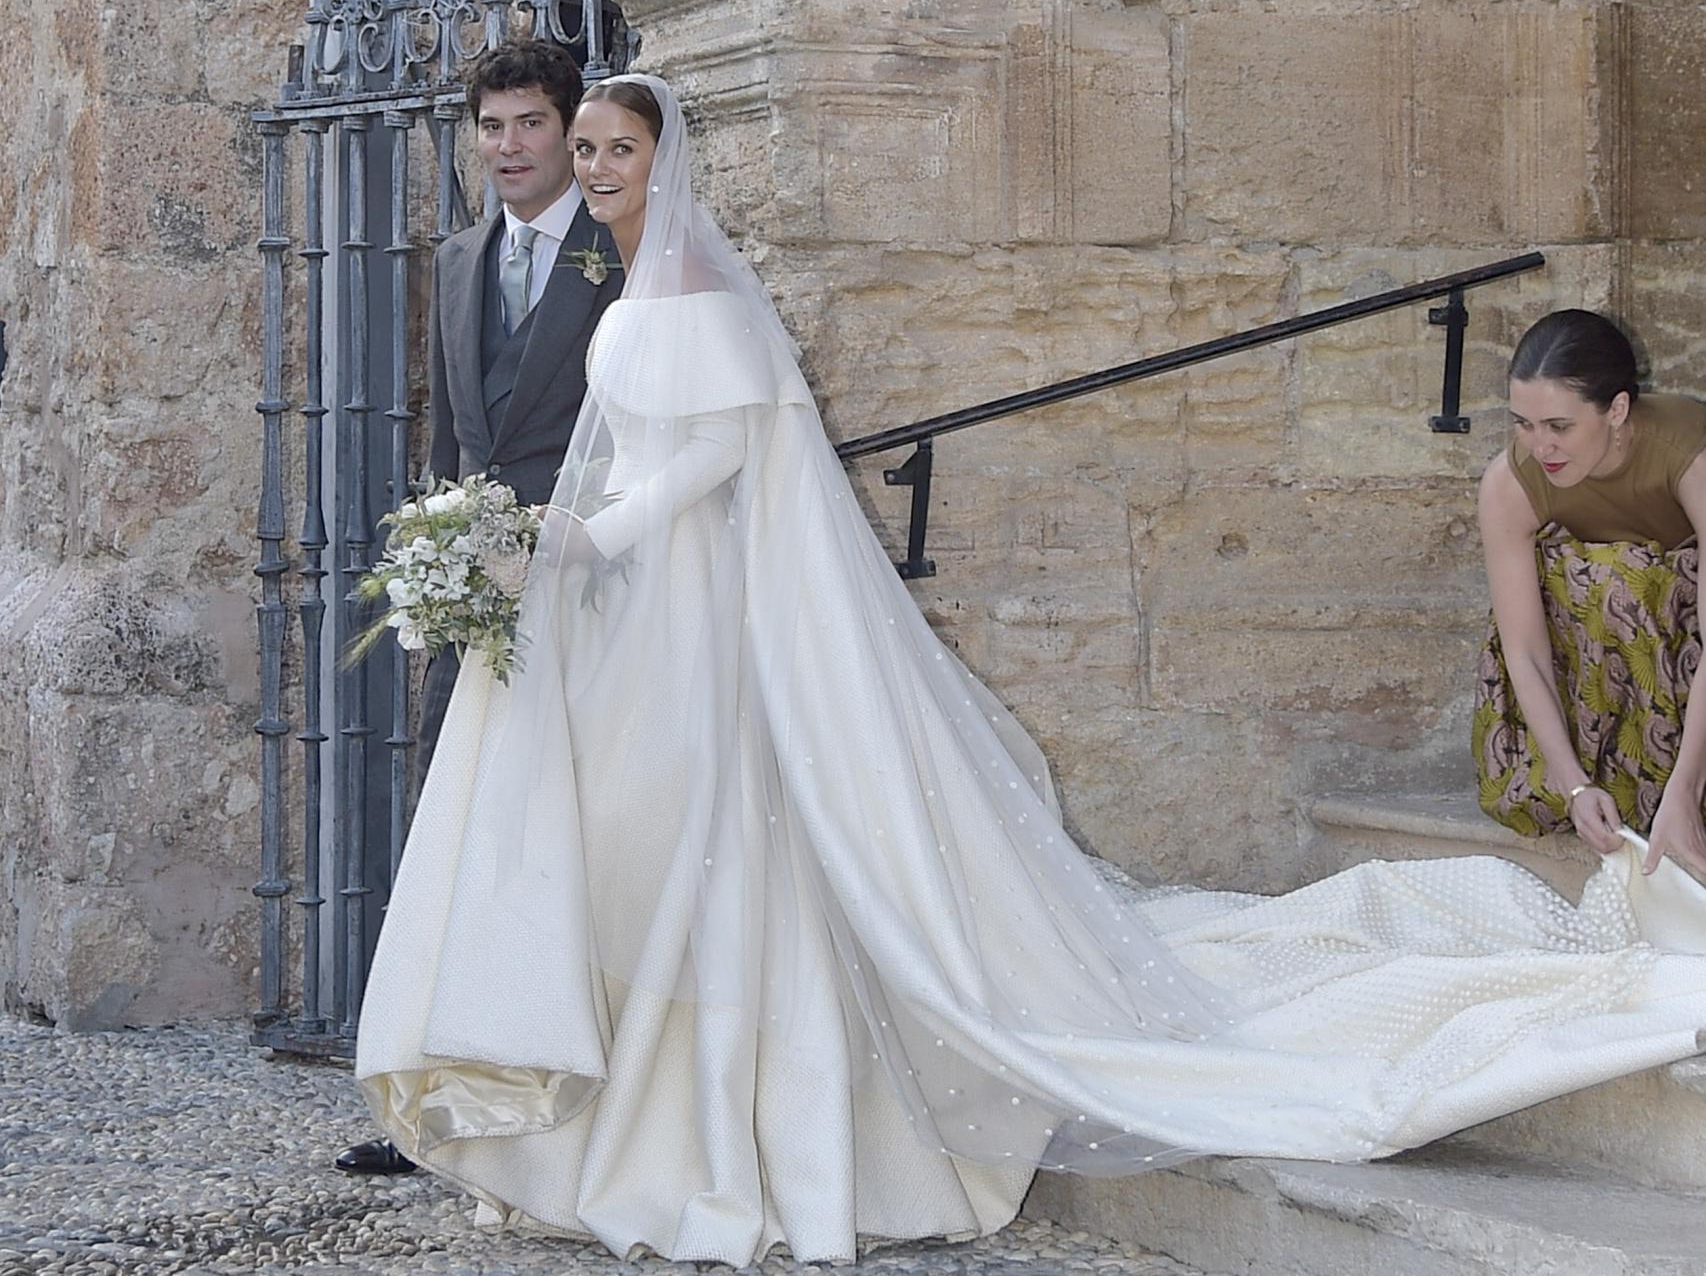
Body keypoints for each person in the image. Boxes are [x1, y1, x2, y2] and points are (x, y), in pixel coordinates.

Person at [354, 78, 1706, 1265]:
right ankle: (640, 1106)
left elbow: (715, 457)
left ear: (662, 159)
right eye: (580, 150)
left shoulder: (702, 293)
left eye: (610, 151)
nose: (591, 171)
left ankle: (741, 1121)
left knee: (724, 840)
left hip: (689, 606)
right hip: (646, 608)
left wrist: (582, 535)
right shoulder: (632, 287)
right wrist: (555, 541)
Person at [334, 37, 622, 1178]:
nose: (506, 148)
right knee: (454, 848)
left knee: (565, 844)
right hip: (474, 608)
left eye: (529, 127)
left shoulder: (623, 251)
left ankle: (570, 1100)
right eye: (489, 127)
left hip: (590, 596)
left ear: (569, 132)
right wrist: (442, 556)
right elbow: (455, 433)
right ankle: (439, 1105)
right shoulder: (455, 257)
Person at [1475, 309, 1706, 881]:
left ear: (1618, 409)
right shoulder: (1509, 483)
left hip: (1682, 658)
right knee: (1585, 576)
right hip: (1590, 670)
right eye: (1523, 424)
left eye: (1559, 426)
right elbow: (1523, 649)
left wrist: (1686, 789)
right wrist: (1573, 783)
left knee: (1625, 580)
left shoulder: (1689, 453)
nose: (1539, 445)